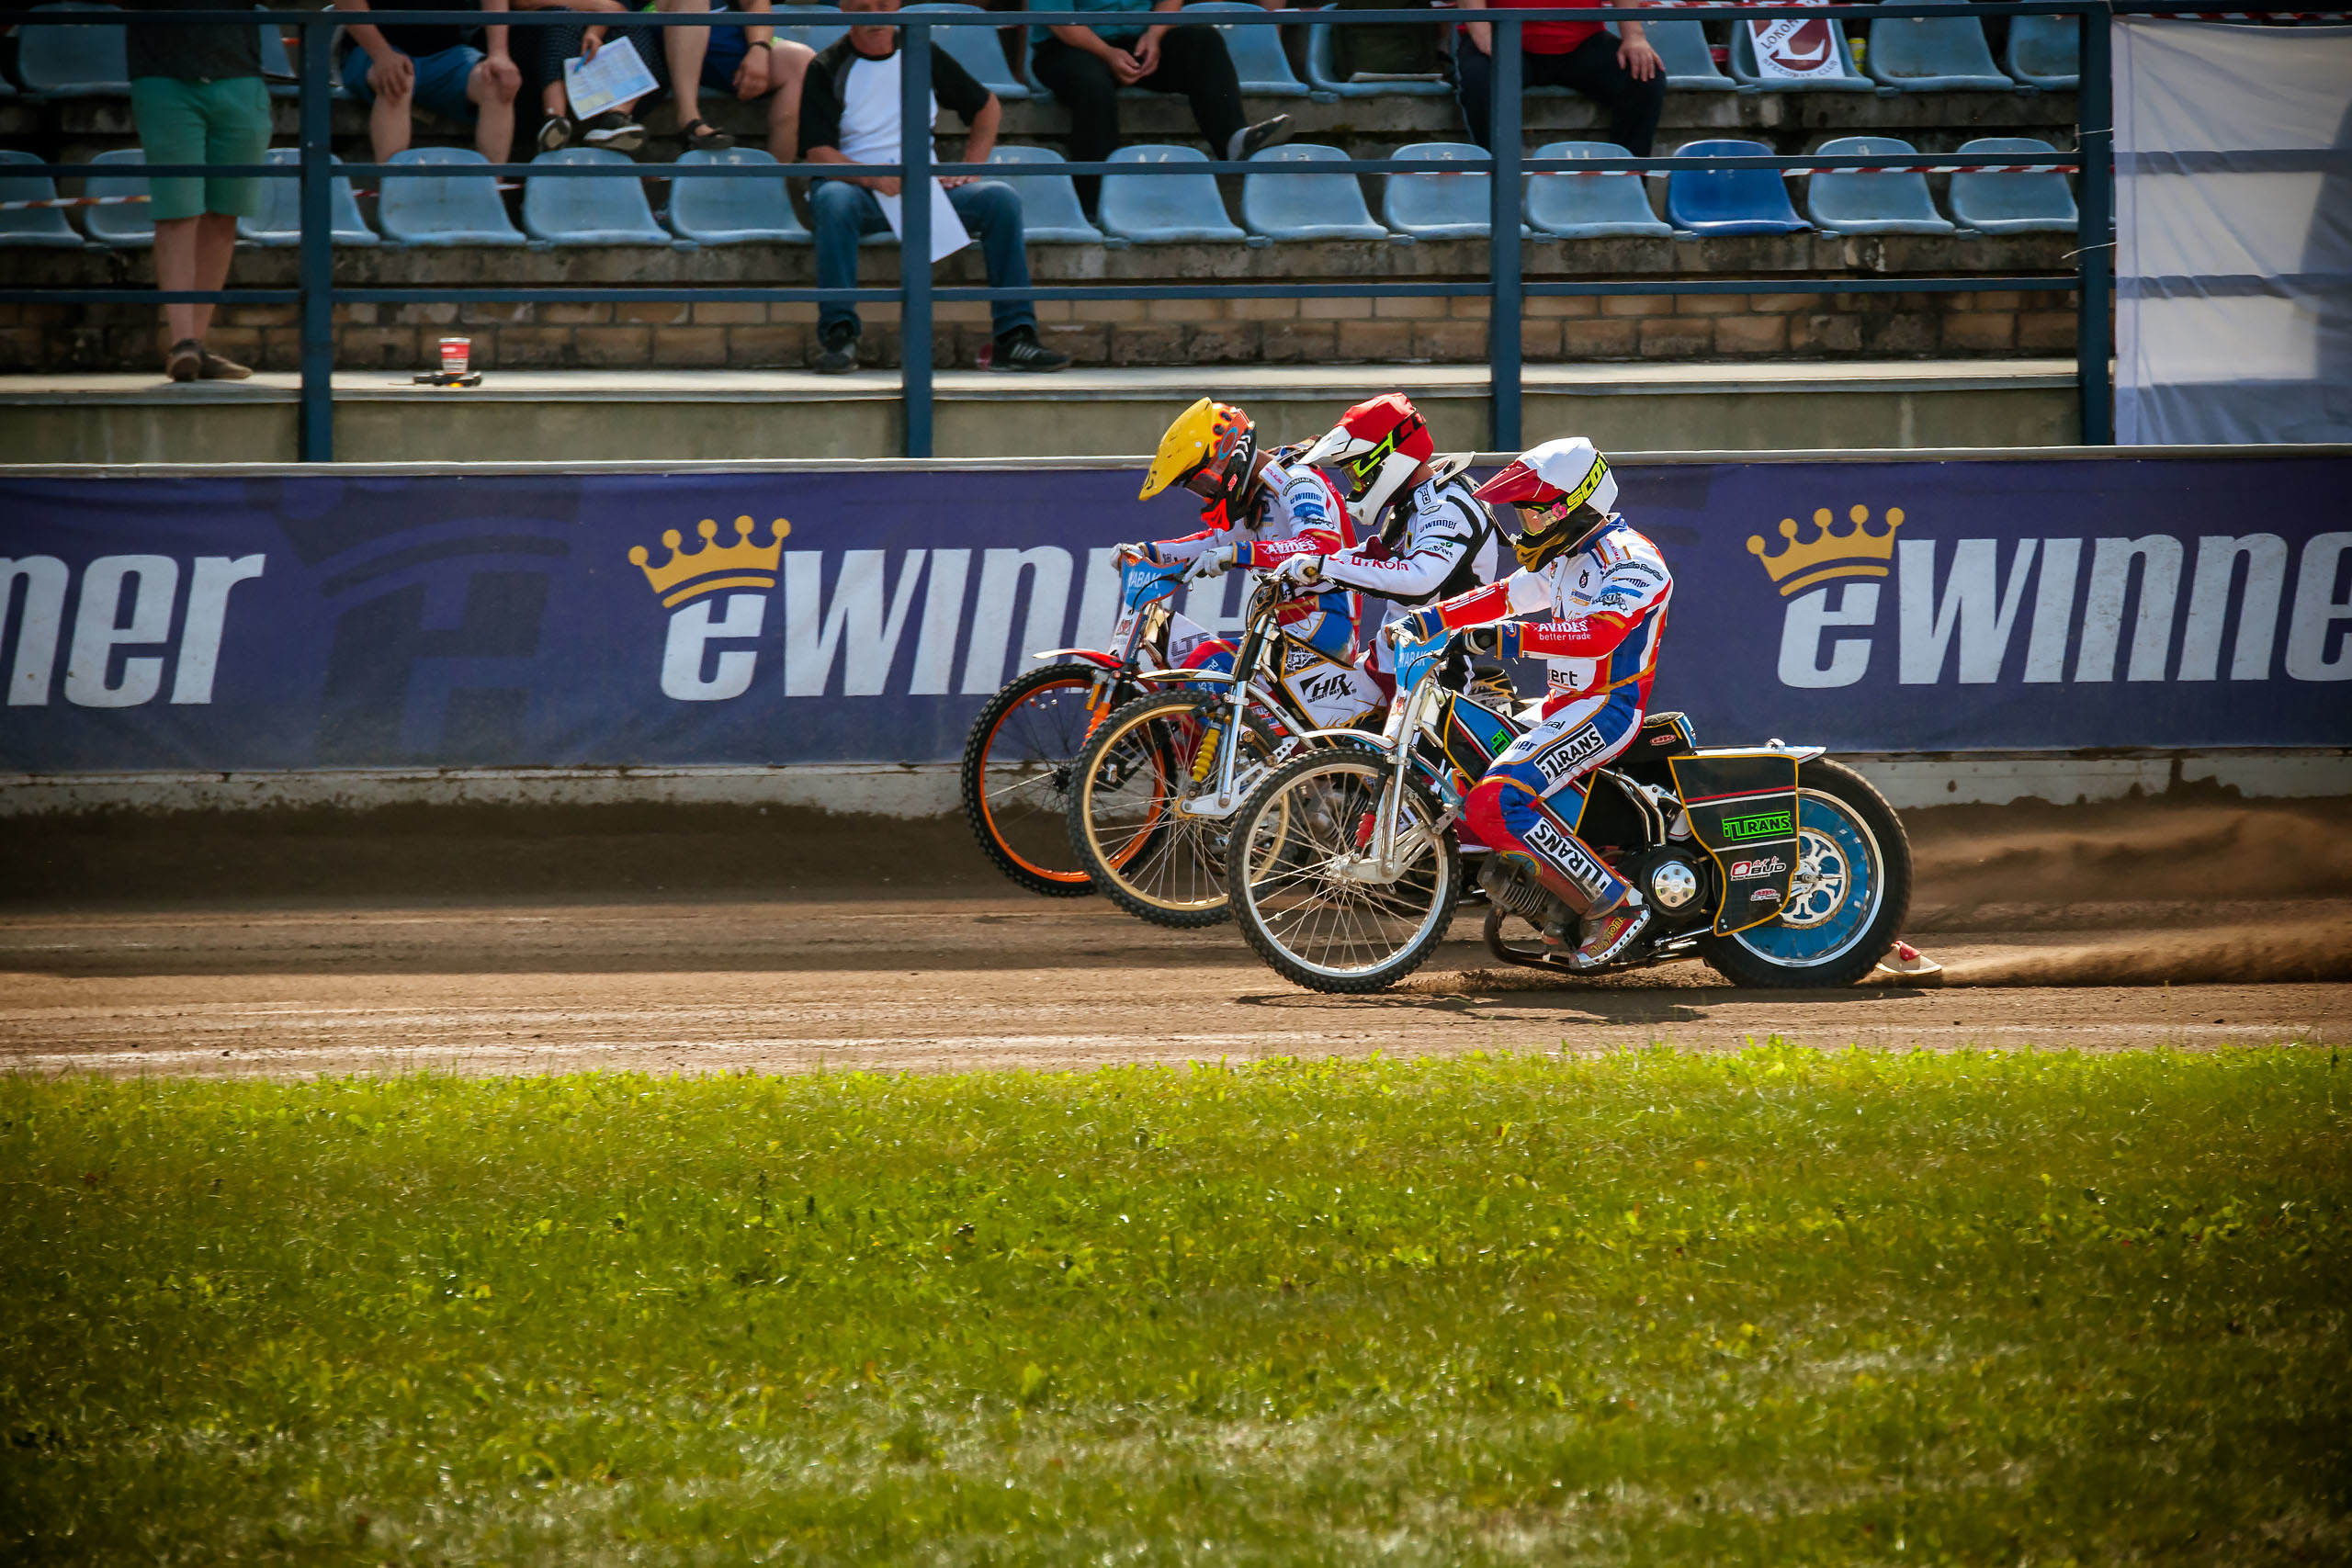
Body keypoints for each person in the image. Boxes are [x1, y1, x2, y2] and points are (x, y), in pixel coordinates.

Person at [1385, 436, 1675, 967]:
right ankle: (1554, 903)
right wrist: (1428, 619)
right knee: (1468, 769)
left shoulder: (1632, 558)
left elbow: (1597, 635)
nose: (1524, 527)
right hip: (1558, 705)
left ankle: (1616, 904)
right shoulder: (1564, 557)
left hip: (1607, 709)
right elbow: (1498, 595)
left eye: (1533, 513)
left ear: (1573, 505)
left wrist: (1508, 638)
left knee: (1497, 800)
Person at [799, 0, 1069, 373]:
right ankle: (839, 335)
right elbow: (818, 154)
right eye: (863, 7)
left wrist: (970, 167)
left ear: (896, 6)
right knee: (831, 199)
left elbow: (986, 106)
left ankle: (1015, 337)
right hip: (860, 191)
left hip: (924, 188)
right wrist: (873, 176)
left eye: (883, 6)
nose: (875, 17)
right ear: (844, 8)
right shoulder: (826, 66)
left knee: (999, 199)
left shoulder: (921, 53)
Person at [1276, 392, 1501, 694]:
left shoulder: (1447, 505)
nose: (1355, 485)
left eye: (1356, 473)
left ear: (1386, 455)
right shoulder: (1414, 503)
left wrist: (1326, 567)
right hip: (1387, 664)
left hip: (1431, 680)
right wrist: (1298, 576)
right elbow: (1374, 554)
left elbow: (1420, 579)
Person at [1120, 398, 1363, 667]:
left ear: (1229, 456)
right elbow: (1215, 541)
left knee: (1206, 660)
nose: (1205, 492)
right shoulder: (1258, 492)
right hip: (1282, 628)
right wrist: (1148, 552)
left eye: (1203, 480)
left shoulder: (1298, 481)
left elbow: (1320, 546)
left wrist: (1239, 553)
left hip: (1325, 627)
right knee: (1175, 654)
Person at [1030, 0, 1295, 212]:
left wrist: (1155, 34)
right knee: (1093, 87)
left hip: (1139, 39)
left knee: (1204, 41)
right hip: (1070, 47)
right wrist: (1106, 53)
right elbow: (1058, 19)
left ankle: (1233, 141)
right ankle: (1093, 205)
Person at [124, 0, 271, 380]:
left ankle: (195, 344)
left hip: (239, 72)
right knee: (178, 210)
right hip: (163, 73)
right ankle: (183, 342)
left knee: (225, 212)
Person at [1452, 0, 1665, 158]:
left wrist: (1633, 35)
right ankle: (1497, 185)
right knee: (1480, 79)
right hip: (1504, 35)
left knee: (1644, 75)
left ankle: (1625, 186)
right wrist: (1482, 34)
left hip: (1581, 40)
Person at [334, 0, 522, 165]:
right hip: (373, 49)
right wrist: (382, 54)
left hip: (446, 53)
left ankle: (487, 194)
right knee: (398, 80)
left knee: (498, 83)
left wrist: (499, 54)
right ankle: (394, 196)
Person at [638, 0, 815, 157]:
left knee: (800, 62)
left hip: (718, 27)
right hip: (654, 27)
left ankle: (776, 185)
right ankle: (689, 118)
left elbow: (755, 3)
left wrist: (759, 47)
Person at [509, 0, 648, 152]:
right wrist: (596, 6)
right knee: (561, 17)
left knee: (634, 25)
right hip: (528, 50)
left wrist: (594, 31)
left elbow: (616, 8)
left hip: (583, 50)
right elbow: (522, 3)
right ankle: (554, 121)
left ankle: (614, 120)